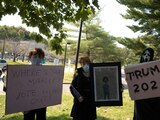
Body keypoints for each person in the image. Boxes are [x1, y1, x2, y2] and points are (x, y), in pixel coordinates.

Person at [133, 47, 160, 120]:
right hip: (140, 101)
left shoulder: (155, 69)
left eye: (148, 55)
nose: (146, 56)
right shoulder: (135, 69)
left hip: (152, 100)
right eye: (145, 54)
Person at [23, 48, 46, 120]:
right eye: (35, 56)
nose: (37, 59)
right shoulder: (22, 71)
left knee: (41, 118)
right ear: (30, 57)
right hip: (27, 103)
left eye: (40, 57)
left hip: (41, 102)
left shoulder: (47, 71)